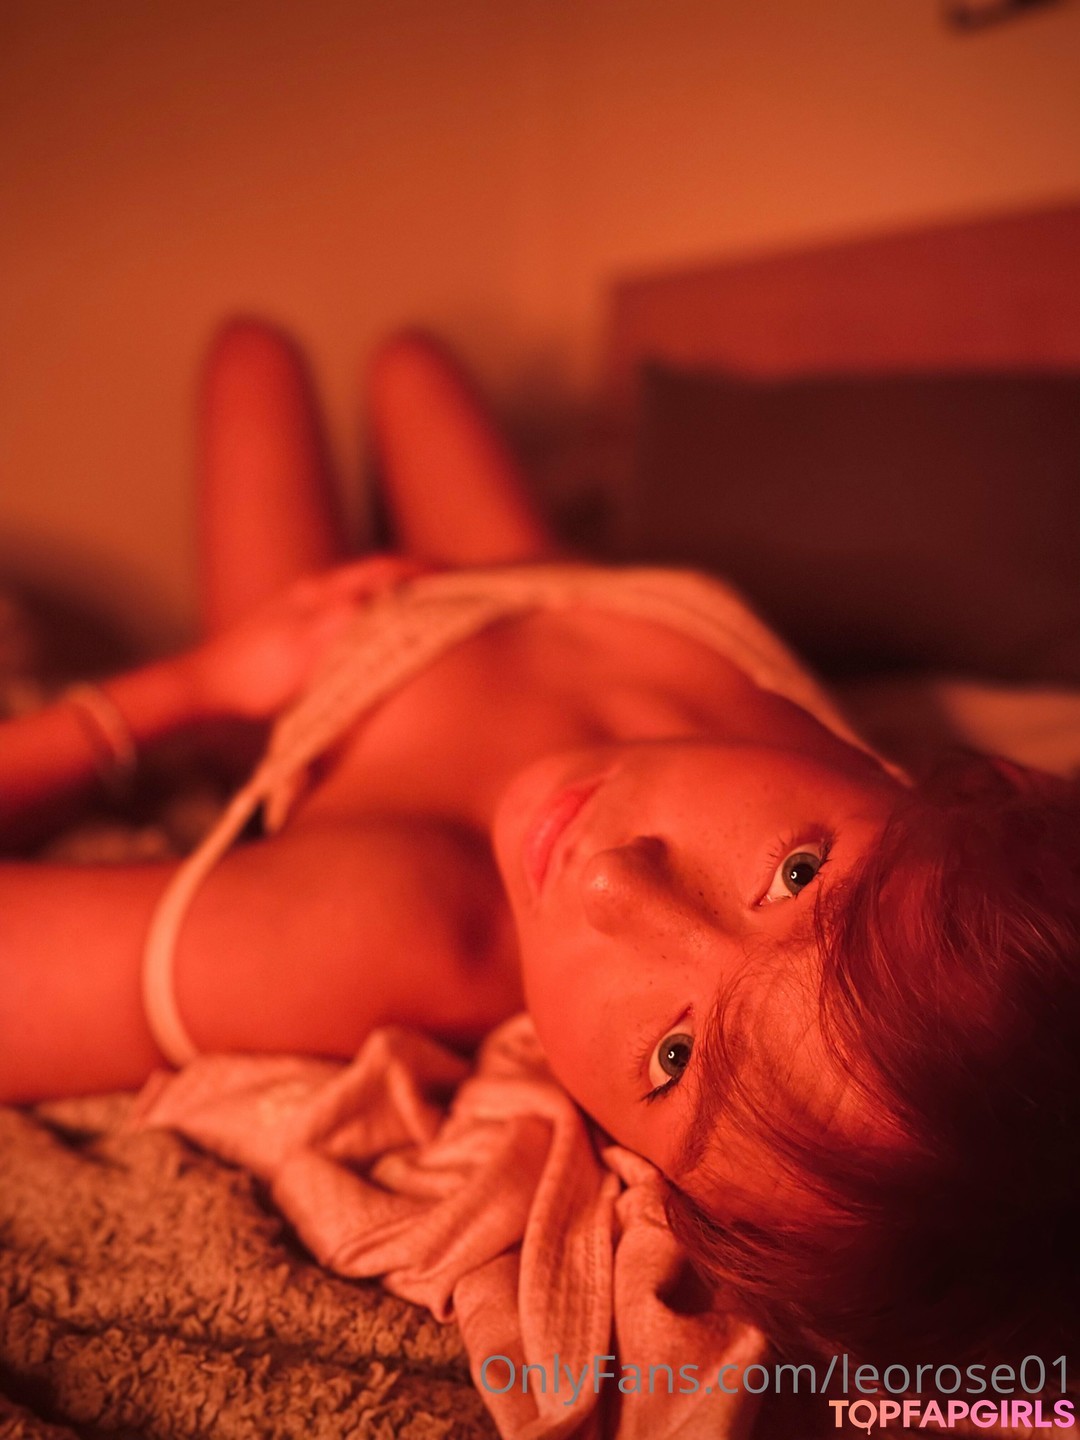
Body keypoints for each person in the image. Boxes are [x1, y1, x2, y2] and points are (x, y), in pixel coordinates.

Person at [2, 321, 1078, 1375]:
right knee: (411, 359)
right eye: (796, 877)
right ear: (951, 798)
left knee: (253, 355)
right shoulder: (930, 863)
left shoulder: (391, 919)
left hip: (321, 654)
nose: (611, 883)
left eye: (672, 1059)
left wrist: (189, 688)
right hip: (543, 575)